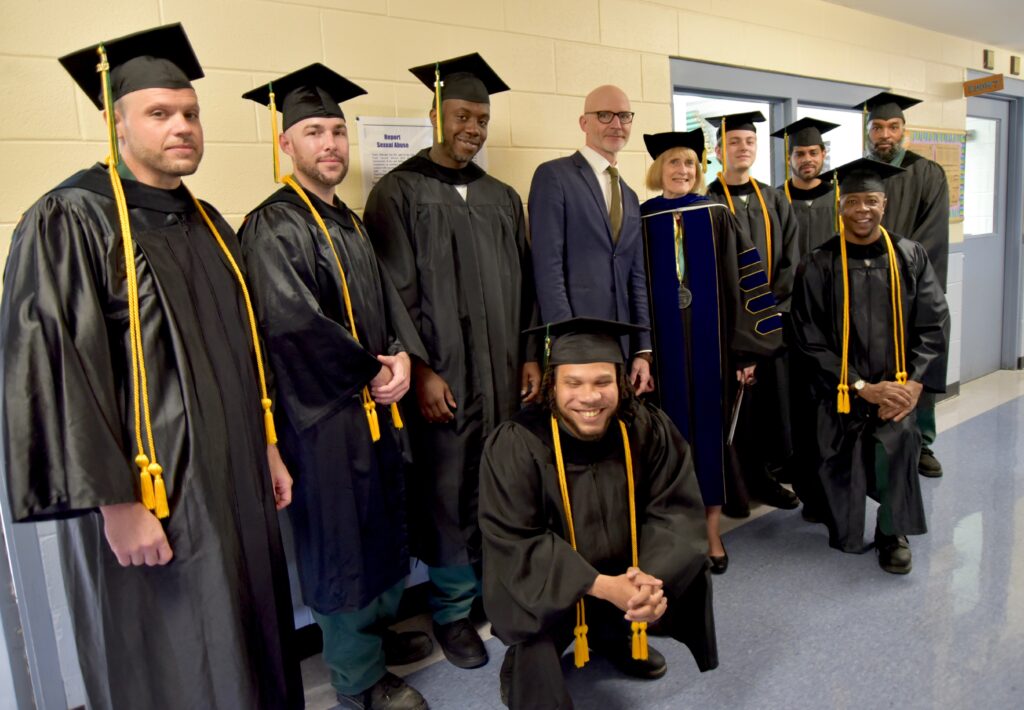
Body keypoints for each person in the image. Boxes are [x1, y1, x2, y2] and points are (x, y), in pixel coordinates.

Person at [0, 24, 302, 708]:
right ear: (116, 123)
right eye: (160, 114)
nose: (182, 128)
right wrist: (116, 502)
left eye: (190, 114)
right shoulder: (72, 219)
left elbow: (246, 349)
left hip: (235, 476)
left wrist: (269, 446)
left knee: (249, 637)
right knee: (176, 656)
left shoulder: (208, 225)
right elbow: (57, 373)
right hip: (154, 491)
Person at [239, 64, 433, 710]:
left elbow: (381, 306)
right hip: (321, 420)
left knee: (379, 527)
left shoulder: (347, 221)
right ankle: (356, 678)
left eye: (337, 131)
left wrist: (402, 358)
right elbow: (294, 326)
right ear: (285, 143)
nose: (330, 145)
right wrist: (372, 370)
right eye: (314, 132)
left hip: (372, 410)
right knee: (341, 546)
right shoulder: (274, 226)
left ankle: (373, 641)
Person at [363, 53, 540, 670]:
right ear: (435, 113)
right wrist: (424, 371)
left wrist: (530, 355)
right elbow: (391, 293)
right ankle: (450, 612)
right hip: (443, 380)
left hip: (503, 375)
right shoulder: (397, 193)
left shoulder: (501, 196)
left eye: (482, 116)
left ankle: (496, 592)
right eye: (462, 114)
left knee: (501, 480)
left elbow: (526, 285)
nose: (474, 126)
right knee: (445, 493)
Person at [480, 317, 718, 710]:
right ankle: (522, 661)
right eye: (573, 383)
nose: (589, 397)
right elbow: (515, 541)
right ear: (552, 386)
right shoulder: (517, 444)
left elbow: (674, 508)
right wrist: (602, 586)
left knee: (684, 564)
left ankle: (613, 635)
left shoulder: (644, 427)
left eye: (602, 382)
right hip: (551, 585)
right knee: (532, 633)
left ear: (620, 382)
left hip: (626, 570)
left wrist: (647, 581)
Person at [791, 158, 949, 573]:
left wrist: (914, 386)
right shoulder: (819, 263)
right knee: (830, 457)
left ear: (886, 203)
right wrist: (861, 386)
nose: (863, 209)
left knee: (898, 442)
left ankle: (891, 532)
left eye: (872, 201)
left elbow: (933, 324)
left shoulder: (908, 256)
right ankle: (834, 514)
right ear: (840, 205)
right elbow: (808, 338)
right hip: (840, 392)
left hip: (896, 390)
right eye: (854, 200)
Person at [639, 130, 783, 574]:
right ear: (657, 170)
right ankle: (673, 533)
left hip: (712, 352)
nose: (682, 171)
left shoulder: (717, 213)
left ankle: (713, 534)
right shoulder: (642, 218)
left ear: (699, 170)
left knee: (710, 440)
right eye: (673, 163)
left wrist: (746, 352)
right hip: (662, 354)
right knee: (666, 441)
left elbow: (747, 282)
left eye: (689, 164)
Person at [528, 85, 654, 394]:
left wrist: (643, 348)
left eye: (624, 116)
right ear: (584, 123)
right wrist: (568, 343)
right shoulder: (554, 177)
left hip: (621, 344)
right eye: (604, 115)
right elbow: (548, 267)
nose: (616, 124)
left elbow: (635, 277)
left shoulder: (630, 195)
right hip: (575, 345)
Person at [705, 111, 801, 514]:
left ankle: (768, 478)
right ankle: (736, 486)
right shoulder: (707, 200)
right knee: (734, 413)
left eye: (748, 142)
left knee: (770, 410)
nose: (742, 148)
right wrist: (737, 328)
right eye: (733, 142)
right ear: (717, 150)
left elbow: (790, 263)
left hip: (769, 327)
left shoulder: (775, 198)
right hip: (727, 330)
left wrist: (767, 317)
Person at [857, 91, 950, 478]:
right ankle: (871, 438)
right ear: (868, 131)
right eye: (878, 127)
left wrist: (890, 272)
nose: (885, 134)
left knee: (918, 367)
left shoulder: (928, 173)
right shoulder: (856, 174)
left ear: (903, 131)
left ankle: (922, 442)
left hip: (910, 294)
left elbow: (930, 239)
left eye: (893, 127)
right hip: (861, 294)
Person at [773, 117, 841, 253]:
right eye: (799, 154)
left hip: (831, 273)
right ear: (788, 159)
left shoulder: (838, 196)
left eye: (813, 153)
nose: (807, 159)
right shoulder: (775, 200)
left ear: (823, 154)